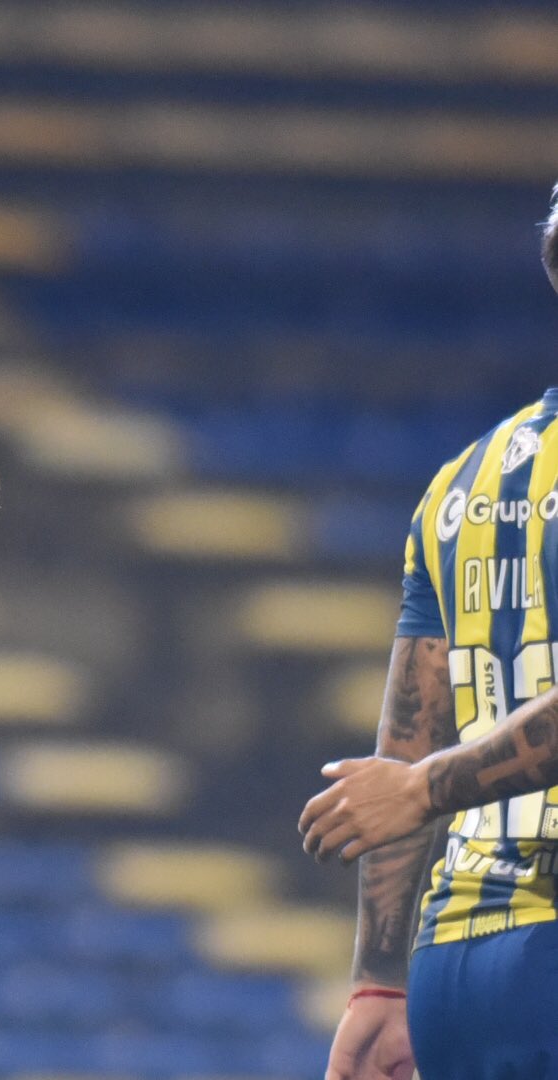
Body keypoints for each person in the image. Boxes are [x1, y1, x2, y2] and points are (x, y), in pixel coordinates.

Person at [297, 199, 558, 1080]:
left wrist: (378, 981)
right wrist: (421, 788)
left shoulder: (461, 482)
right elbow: (407, 775)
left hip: (455, 960)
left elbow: (408, 734)